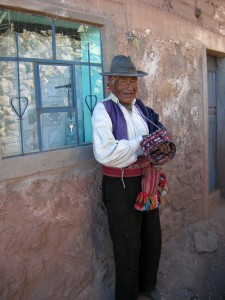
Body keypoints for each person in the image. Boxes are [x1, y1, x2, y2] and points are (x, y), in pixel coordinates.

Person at [92, 55, 171, 300]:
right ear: (110, 84)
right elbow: (105, 153)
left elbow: (160, 131)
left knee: (151, 236)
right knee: (126, 245)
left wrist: (162, 144)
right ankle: (127, 296)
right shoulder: (103, 110)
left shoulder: (142, 109)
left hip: (146, 183)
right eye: (123, 81)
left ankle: (147, 286)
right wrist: (142, 144)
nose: (130, 86)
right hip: (120, 185)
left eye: (133, 81)